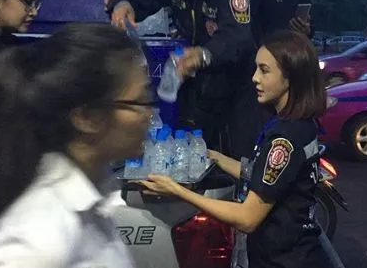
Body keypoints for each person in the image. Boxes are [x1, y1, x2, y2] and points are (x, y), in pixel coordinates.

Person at [138, 30, 329, 268]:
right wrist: (214, 157)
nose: (254, 78)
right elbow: (263, 175)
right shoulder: (297, 125)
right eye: (256, 68)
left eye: (264, 70)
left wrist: (177, 191)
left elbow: (247, 218)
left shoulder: (285, 139)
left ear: (290, 77)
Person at [0, 23, 151, 267]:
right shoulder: (41, 238)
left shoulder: (91, 206)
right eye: (139, 101)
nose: (148, 114)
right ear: (86, 118)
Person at [106, 0, 260, 159]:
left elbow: (238, 38)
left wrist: (203, 54)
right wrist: (122, 4)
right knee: (193, 157)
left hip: (237, 92)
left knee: (237, 160)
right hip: (198, 91)